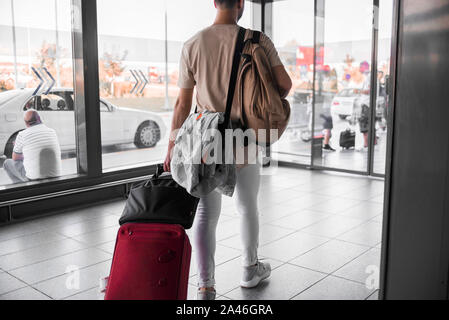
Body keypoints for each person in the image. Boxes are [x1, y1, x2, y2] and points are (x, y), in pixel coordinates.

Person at [163, 0, 292, 300]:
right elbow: (284, 86)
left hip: (207, 143)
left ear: (215, 2)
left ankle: (205, 285)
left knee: (207, 214)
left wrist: (172, 146)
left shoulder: (193, 44)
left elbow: (183, 104)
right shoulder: (258, 41)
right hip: (244, 139)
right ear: (241, 4)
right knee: (247, 206)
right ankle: (250, 269)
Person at [3, 109, 61, 183]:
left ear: (26, 123)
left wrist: (25, 152)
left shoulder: (22, 135)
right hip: (56, 177)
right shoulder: (52, 132)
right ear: (39, 118)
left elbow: (15, 158)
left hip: (34, 180)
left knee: (7, 163)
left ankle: (21, 187)